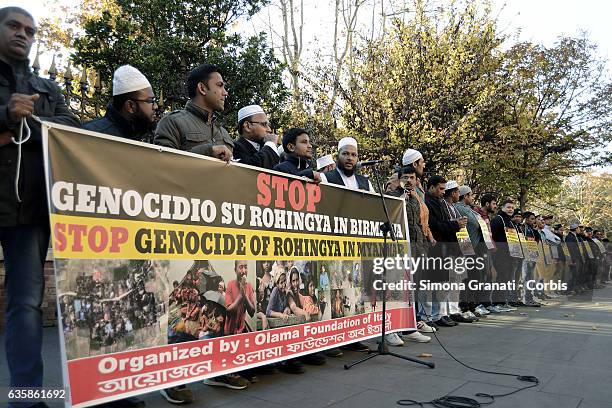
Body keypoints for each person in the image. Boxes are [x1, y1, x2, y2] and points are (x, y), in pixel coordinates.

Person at [0, 7, 80, 408]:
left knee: (26, 303)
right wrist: (6, 114)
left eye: (29, 30)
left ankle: (27, 397)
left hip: (27, 209)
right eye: (14, 26)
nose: (23, 34)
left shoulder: (46, 87)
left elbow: (71, 129)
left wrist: (30, 122)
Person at [320, 137, 376, 351]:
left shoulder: (366, 182)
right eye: (345, 154)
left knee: (353, 293)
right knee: (334, 293)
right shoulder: (327, 177)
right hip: (334, 243)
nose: (350, 158)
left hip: (356, 246)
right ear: (338, 156)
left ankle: (352, 338)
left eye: (353, 154)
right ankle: (331, 340)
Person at [154, 64, 233, 161]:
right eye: (219, 85)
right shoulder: (172, 122)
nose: (225, 93)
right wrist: (207, 151)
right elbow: (163, 164)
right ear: (202, 88)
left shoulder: (224, 133)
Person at [202, 261, 253, 390]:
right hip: (228, 330)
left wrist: (245, 295)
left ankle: (233, 374)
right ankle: (220, 376)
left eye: (245, 267)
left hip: (240, 328)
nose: (243, 270)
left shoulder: (249, 286)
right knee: (227, 356)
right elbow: (229, 310)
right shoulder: (230, 285)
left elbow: (252, 311)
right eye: (240, 267)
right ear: (235, 269)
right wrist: (240, 296)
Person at [425, 176, 466, 327]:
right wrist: (455, 225)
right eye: (441, 189)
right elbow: (436, 225)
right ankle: (434, 315)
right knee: (435, 284)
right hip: (435, 247)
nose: (443, 192)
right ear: (431, 187)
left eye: (444, 189)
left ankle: (440, 313)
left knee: (444, 283)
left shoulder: (440, 202)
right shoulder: (428, 202)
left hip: (446, 247)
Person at [84, 65, 157, 142]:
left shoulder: (144, 136)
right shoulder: (93, 137)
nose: (155, 106)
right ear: (130, 106)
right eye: (150, 101)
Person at [232, 104, 279, 169]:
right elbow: (252, 170)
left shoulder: (264, 147)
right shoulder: (234, 148)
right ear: (247, 126)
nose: (269, 129)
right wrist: (270, 144)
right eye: (264, 124)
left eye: (268, 125)